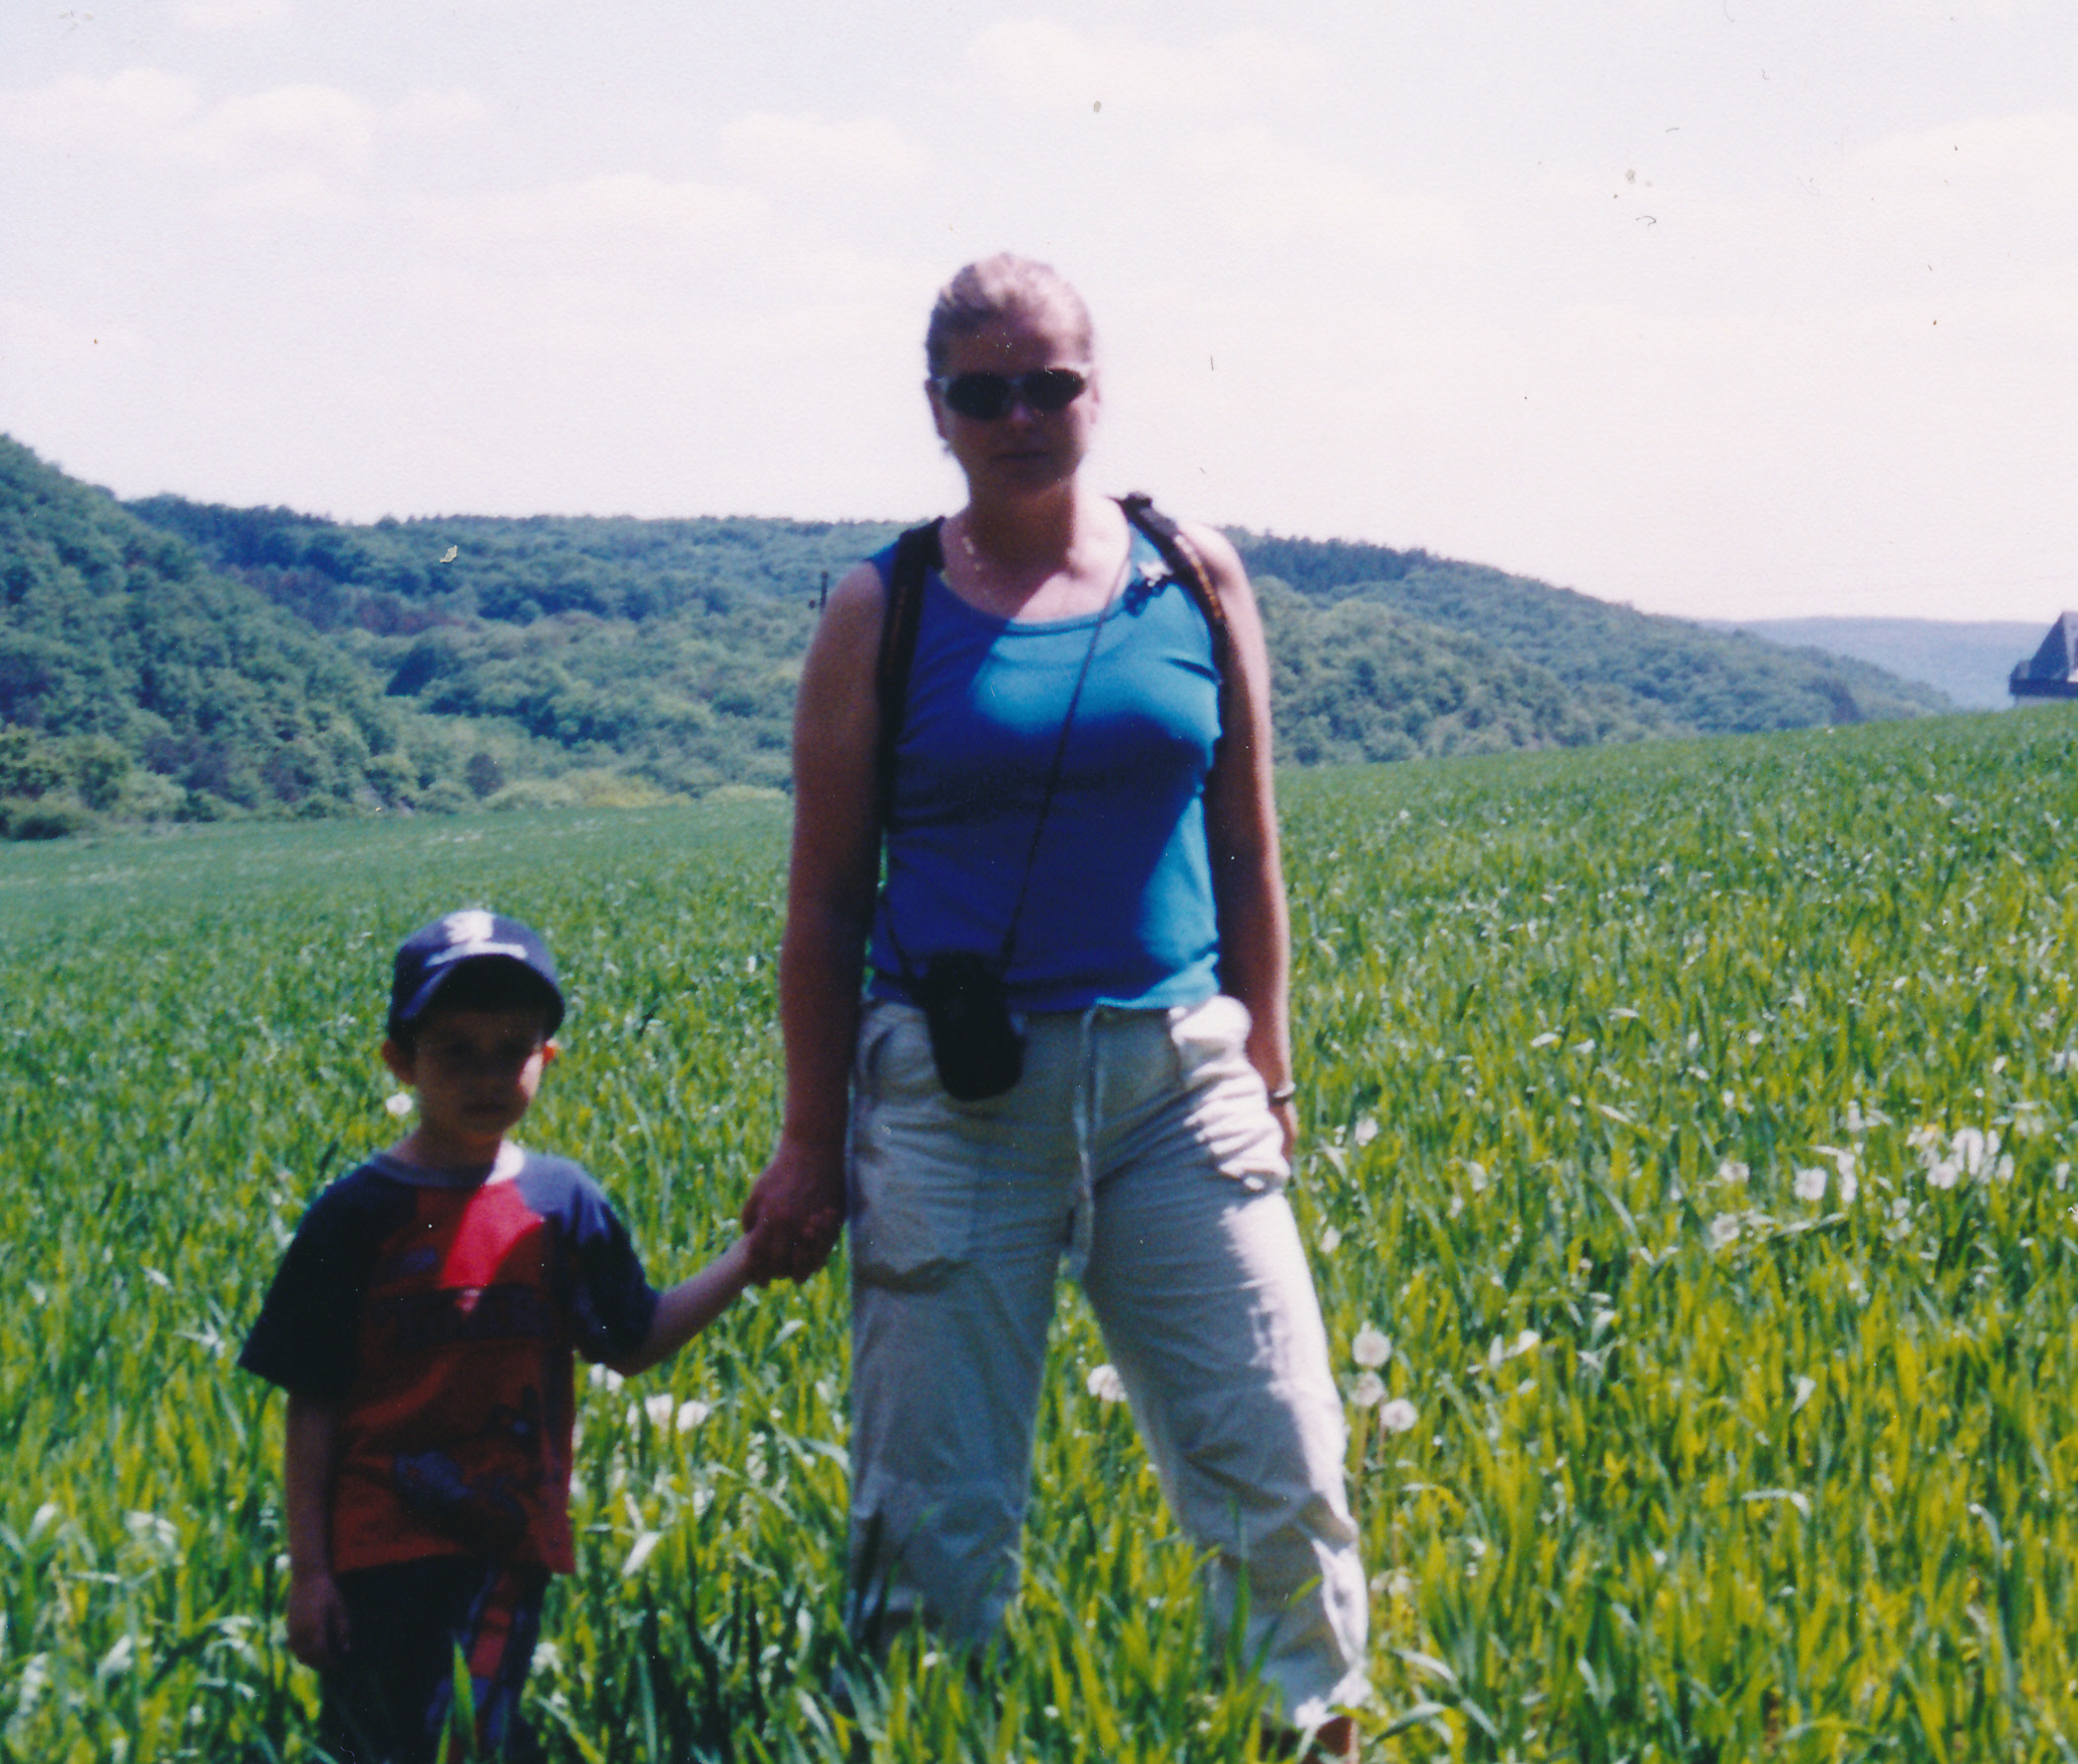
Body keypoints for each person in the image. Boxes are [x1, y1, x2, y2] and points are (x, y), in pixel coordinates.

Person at [739, 254, 1368, 1753]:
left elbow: (1247, 845)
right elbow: (825, 902)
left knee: (1279, 1457)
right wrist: (810, 1139)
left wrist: (1270, 1065)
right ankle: (930, 1735)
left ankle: (1311, 1735)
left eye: (1051, 383)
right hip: (952, 1104)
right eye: (984, 392)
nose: (1020, 415)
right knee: (932, 1514)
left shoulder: (1194, 575)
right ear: (936, 411)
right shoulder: (880, 607)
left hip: (1177, 1088)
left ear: (1096, 391)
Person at [241, 910, 760, 1764]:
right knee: (389, 1743)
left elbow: (631, 1341)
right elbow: (313, 1402)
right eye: (455, 1051)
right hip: (378, 1551)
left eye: (511, 1050)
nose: (487, 1075)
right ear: (399, 1061)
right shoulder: (356, 1216)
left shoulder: (562, 1204)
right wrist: (311, 1572)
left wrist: (748, 1260)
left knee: (471, 1737)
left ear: (546, 1058)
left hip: (507, 1543)